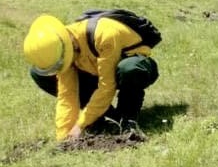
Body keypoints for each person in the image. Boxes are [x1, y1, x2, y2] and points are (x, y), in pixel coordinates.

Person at [23, 13, 159, 141]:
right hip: (97, 72)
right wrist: (64, 135)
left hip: (135, 67)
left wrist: (80, 124)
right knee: (40, 75)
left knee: (128, 69)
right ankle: (104, 118)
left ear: (70, 46)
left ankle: (127, 118)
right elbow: (67, 95)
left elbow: (106, 87)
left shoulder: (104, 34)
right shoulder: (62, 48)